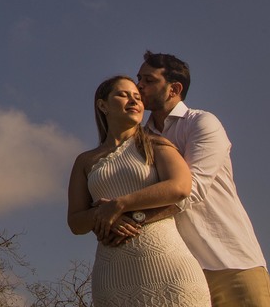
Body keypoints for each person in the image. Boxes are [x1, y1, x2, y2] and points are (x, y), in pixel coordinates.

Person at [135, 51, 270, 307]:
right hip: (178, 272)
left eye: (149, 80)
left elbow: (192, 188)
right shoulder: (138, 139)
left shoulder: (202, 123)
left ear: (173, 88)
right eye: (138, 79)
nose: (139, 86)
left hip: (232, 262)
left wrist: (133, 218)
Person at [68, 75, 210, 307]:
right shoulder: (85, 161)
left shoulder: (155, 144)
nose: (133, 101)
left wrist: (119, 205)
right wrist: (102, 216)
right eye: (123, 95)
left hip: (169, 270)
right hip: (112, 275)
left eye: (137, 97)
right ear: (102, 105)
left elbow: (180, 187)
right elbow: (75, 222)